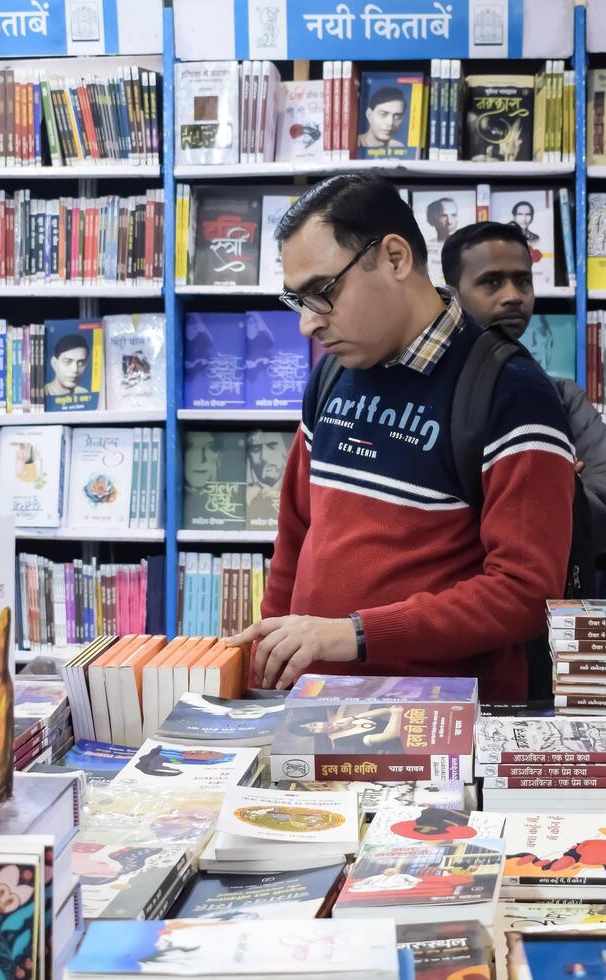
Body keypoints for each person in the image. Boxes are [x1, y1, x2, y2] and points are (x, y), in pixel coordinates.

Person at [224, 174, 574, 701]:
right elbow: (298, 534)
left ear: (393, 257)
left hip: (435, 722)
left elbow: (524, 593)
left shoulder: (510, 392)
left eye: (321, 293)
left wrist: (357, 634)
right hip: (311, 705)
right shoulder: (333, 373)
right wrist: (266, 673)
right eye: (296, 301)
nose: (307, 325)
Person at [441, 220, 606, 555]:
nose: (513, 296)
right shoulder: (433, 392)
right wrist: (555, 481)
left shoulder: (562, 397)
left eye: (523, 281)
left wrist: (514, 494)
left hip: (545, 599)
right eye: (492, 282)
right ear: (453, 293)